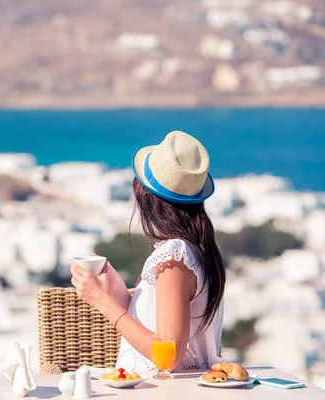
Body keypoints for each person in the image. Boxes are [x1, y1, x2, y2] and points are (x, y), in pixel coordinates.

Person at [71, 130, 226, 372]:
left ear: (147, 197)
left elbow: (170, 355)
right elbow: (158, 323)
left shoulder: (175, 257)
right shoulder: (197, 249)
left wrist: (104, 303)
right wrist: (116, 290)